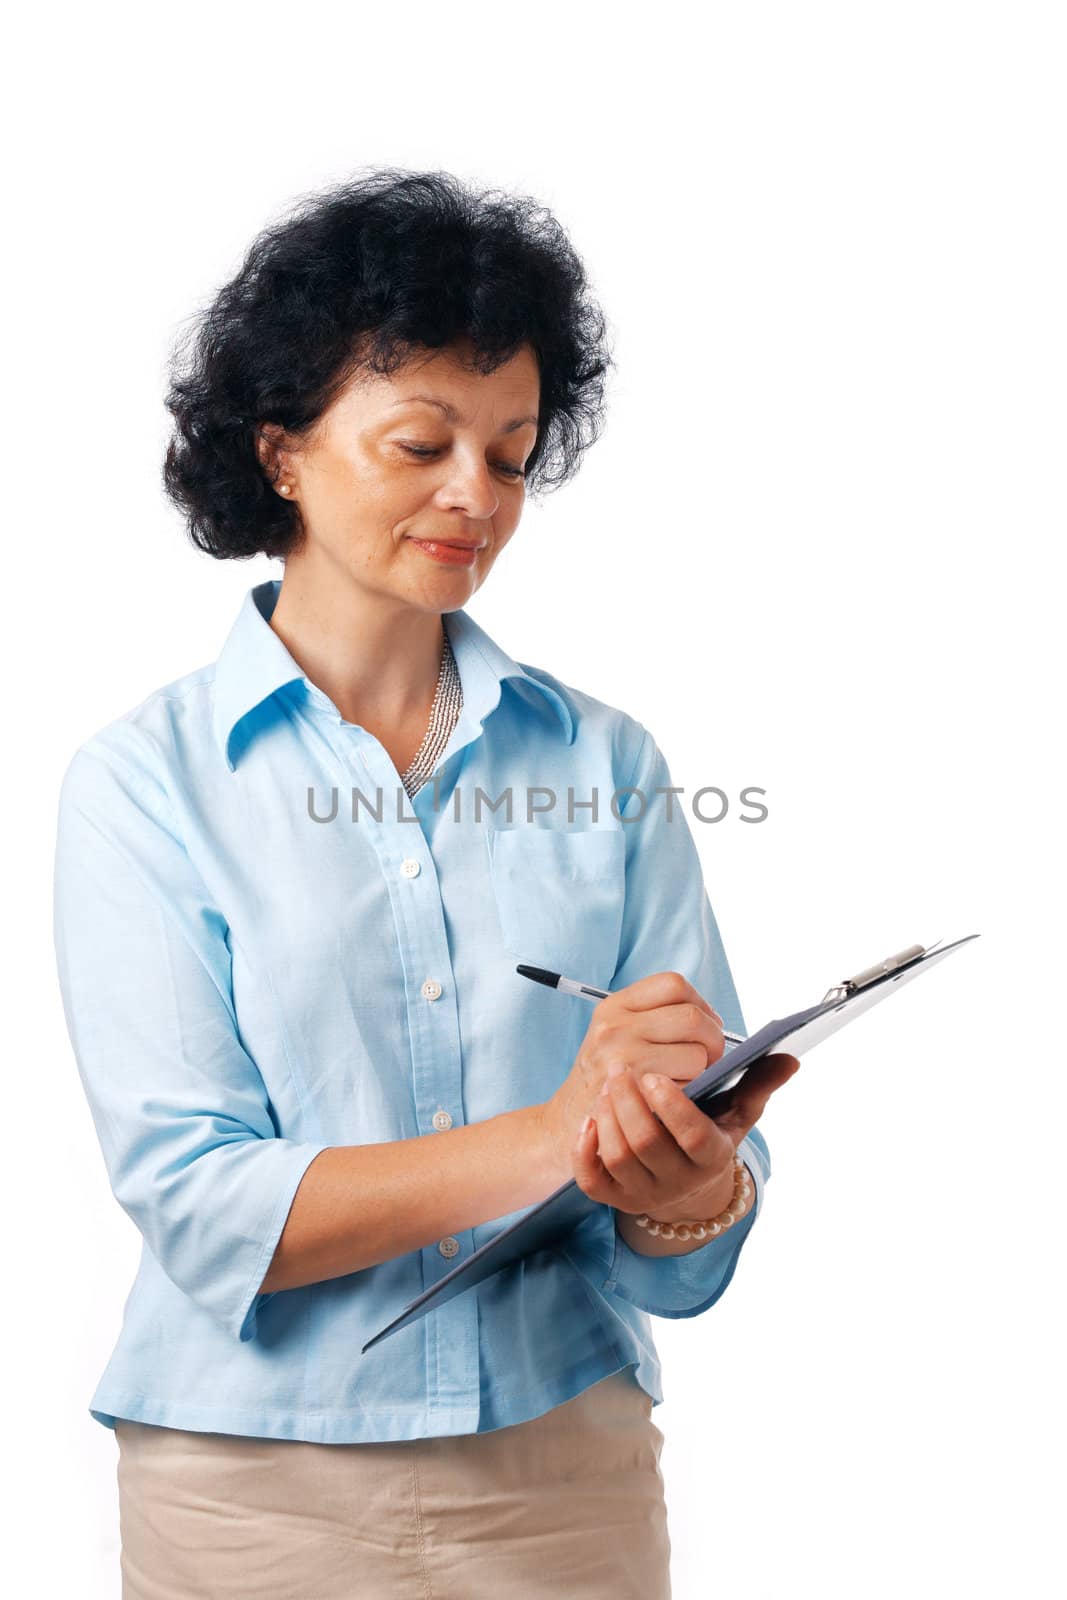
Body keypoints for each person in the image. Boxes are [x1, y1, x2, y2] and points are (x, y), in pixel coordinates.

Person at [52, 167, 800, 1600]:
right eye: (421, 442)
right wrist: (561, 1133)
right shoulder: (144, 783)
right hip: (253, 1500)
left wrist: (683, 1173)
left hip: (562, 1479)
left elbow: (686, 1233)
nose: (478, 495)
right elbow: (206, 1206)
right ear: (281, 452)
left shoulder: (608, 760)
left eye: (512, 455)